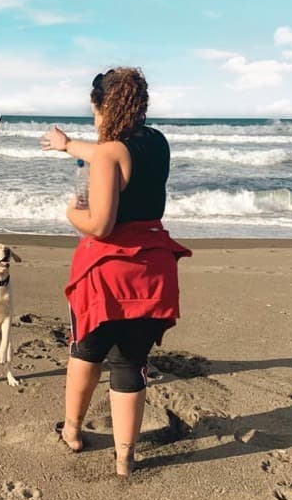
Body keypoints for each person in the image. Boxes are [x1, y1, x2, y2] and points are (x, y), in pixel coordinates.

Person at [40, 67, 191, 477]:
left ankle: (72, 431)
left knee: (86, 349)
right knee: (131, 362)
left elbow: (101, 224)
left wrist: (73, 212)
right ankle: (125, 457)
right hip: (152, 269)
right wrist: (68, 145)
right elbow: (110, 155)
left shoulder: (109, 154)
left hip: (107, 272)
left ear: (101, 106)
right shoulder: (157, 143)